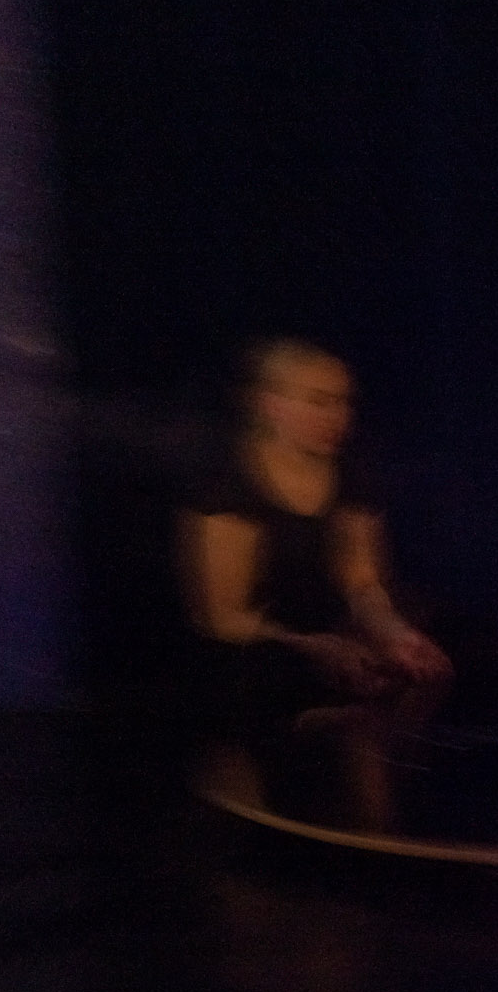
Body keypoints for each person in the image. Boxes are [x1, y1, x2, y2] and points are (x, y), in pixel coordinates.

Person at [178, 337, 450, 827]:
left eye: (343, 402)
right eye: (318, 401)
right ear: (271, 404)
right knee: (280, 688)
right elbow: (222, 617)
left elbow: (362, 582)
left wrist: (394, 633)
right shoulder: (227, 482)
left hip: (331, 646)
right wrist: (311, 647)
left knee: (423, 662)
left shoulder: (352, 476)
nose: (337, 417)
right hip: (250, 655)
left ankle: (374, 817)